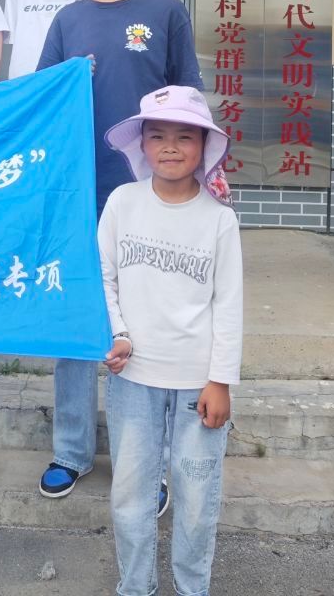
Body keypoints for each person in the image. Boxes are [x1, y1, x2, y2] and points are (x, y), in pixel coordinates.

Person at [35, 0, 206, 504]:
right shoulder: (68, 21)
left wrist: (194, 181)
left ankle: (149, 464)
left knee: (148, 324)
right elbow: (41, 106)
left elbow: (190, 102)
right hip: (81, 193)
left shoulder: (166, 12)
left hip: (151, 193)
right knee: (80, 320)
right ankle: (71, 450)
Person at [99, 86, 242, 596]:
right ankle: (135, 587)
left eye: (185, 137)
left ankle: (192, 588)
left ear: (204, 147)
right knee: (130, 495)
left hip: (197, 385)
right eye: (158, 136)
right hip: (132, 379)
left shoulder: (219, 219)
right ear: (142, 145)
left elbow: (229, 304)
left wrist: (220, 381)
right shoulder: (123, 203)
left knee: (197, 496)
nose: (171, 147)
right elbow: (103, 277)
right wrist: (117, 333)